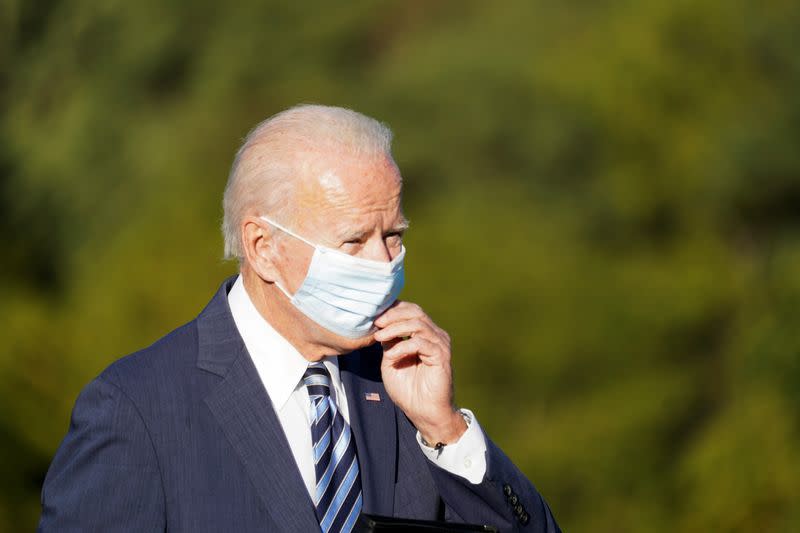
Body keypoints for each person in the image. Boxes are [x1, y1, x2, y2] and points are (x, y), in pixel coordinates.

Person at [39, 105, 561, 532]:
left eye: (394, 235)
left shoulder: (406, 385)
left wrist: (445, 430)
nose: (384, 263)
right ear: (263, 248)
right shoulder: (138, 408)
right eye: (353, 241)